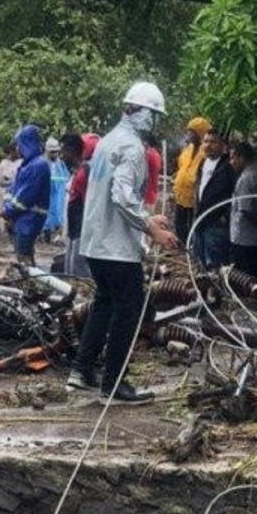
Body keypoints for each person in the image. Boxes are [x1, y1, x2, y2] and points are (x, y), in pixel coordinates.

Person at [67, 82, 178, 403]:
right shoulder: (131, 148)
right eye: (153, 115)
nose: (154, 122)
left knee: (104, 303)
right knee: (128, 310)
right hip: (116, 248)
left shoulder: (107, 142)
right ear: (139, 112)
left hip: (96, 242)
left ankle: (82, 369)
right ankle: (115, 384)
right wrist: (150, 228)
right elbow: (121, 196)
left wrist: (146, 218)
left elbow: (116, 194)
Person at [2, 124, 51, 266]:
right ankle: (31, 284)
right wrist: (8, 208)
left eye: (18, 145)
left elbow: (24, 198)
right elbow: (12, 190)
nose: (17, 148)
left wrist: (8, 210)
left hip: (29, 219)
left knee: (24, 257)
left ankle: (31, 284)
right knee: (23, 255)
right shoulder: (27, 165)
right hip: (22, 218)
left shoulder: (38, 165)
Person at [228, 142, 257, 279]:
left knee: (243, 281)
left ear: (242, 158)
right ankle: (252, 300)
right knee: (254, 276)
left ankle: (246, 301)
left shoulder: (246, 179)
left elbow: (246, 210)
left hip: (245, 240)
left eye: (233, 158)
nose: (231, 162)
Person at [192, 130, 236, 269]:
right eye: (205, 141)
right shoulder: (202, 163)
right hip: (199, 221)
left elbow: (236, 193)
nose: (208, 145)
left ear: (222, 145)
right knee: (199, 263)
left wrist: (226, 215)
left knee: (216, 265)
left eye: (213, 142)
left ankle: (216, 291)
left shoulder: (228, 166)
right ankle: (201, 291)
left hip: (217, 224)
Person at [172, 117, 211, 243]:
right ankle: (182, 245)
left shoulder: (205, 153)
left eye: (192, 132)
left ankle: (190, 247)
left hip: (193, 197)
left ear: (200, 134)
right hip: (181, 194)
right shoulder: (187, 149)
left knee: (192, 225)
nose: (189, 134)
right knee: (179, 224)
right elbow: (182, 166)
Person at [58, 133, 90, 276]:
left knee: (79, 273)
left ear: (71, 150)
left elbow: (88, 203)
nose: (61, 156)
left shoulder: (85, 173)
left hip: (82, 228)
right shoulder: (77, 172)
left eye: (63, 151)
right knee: (70, 270)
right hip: (74, 229)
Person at [43, 137, 69, 242]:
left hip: (59, 193)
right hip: (47, 192)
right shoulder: (43, 163)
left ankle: (58, 233)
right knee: (47, 213)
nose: (54, 154)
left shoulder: (61, 164)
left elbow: (66, 177)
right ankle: (46, 233)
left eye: (56, 152)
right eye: (52, 152)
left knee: (59, 212)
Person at [0, 143, 21, 215]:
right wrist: (12, 182)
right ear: (12, 152)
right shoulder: (4, 163)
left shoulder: (21, 162)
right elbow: (1, 182)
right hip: (4, 194)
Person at [141, 132, 162, 210]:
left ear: (146, 142)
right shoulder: (157, 154)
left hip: (146, 196)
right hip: (153, 195)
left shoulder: (147, 154)